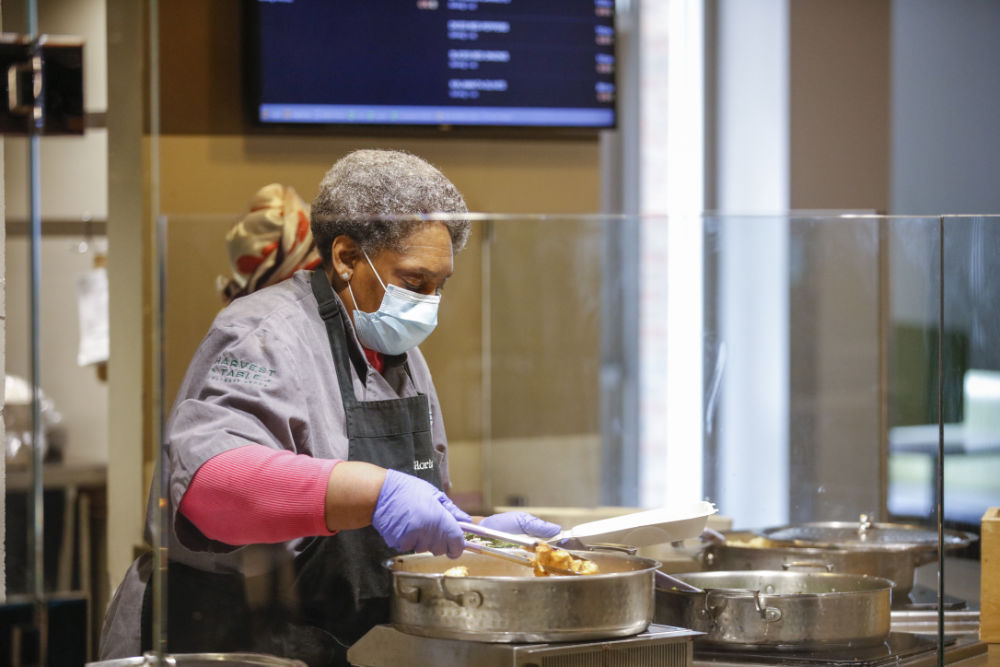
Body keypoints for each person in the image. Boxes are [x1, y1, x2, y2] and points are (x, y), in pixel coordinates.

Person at [99, 150, 560, 665]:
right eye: (414, 282)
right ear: (345, 257)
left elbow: (408, 521)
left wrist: (473, 541)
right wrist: (375, 491)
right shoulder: (265, 335)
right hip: (227, 641)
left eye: (440, 285)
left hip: (334, 644)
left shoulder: (401, 357)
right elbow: (208, 485)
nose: (430, 302)